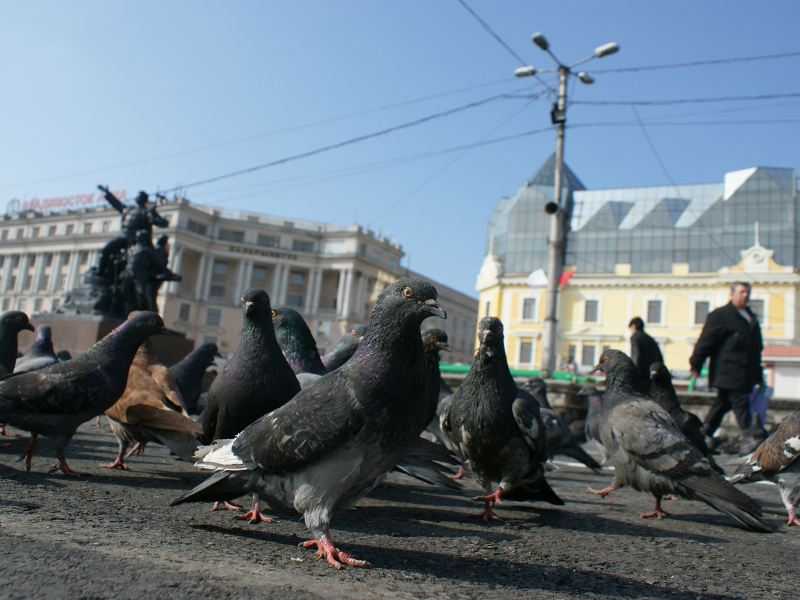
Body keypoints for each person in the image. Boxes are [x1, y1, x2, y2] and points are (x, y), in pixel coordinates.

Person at [689, 282, 763, 437]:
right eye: (742, 292)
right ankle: (751, 436)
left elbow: (756, 349)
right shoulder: (721, 315)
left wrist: (758, 374)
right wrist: (696, 364)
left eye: (747, 292)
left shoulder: (751, 318)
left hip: (745, 373)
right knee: (740, 402)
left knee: (723, 404)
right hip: (728, 371)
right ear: (732, 293)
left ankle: (703, 434)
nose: (745, 295)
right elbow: (706, 341)